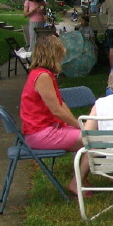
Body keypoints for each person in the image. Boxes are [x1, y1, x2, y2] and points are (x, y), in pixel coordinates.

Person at [19, 35, 91, 196]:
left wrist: (77, 124)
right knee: (92, 139)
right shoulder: (43, 76)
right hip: (40, 133)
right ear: (53, 54)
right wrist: (80, 127)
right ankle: (77, 182)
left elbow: (61, 104)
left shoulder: (42, 74)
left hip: (43, 130)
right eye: (60, 53)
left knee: (89, 135)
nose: (63, 55)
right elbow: (57, 110)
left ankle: (82, 179)